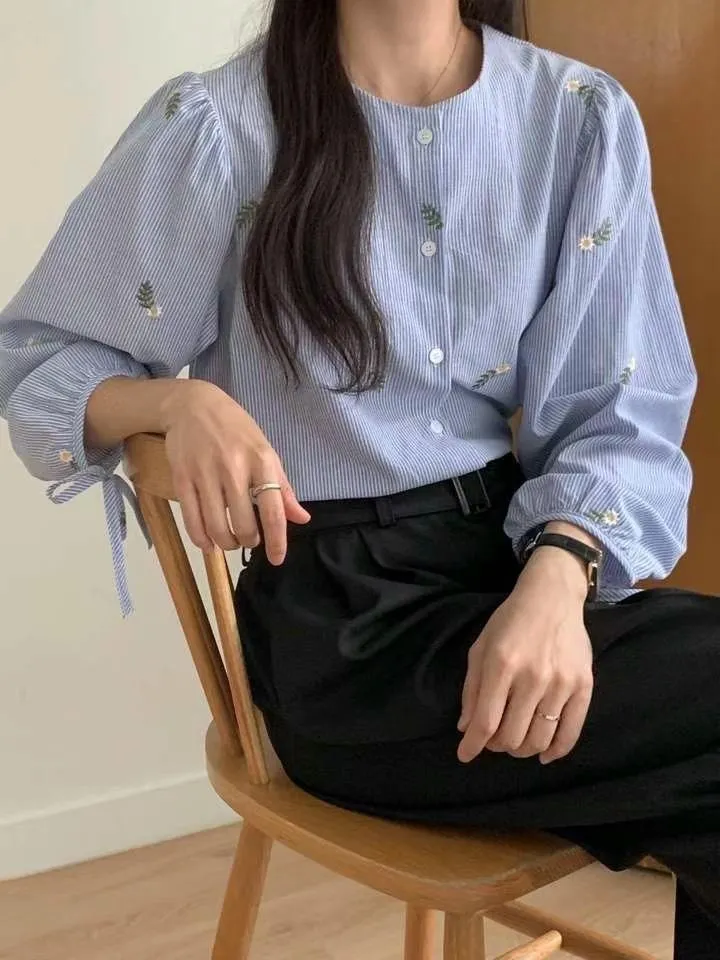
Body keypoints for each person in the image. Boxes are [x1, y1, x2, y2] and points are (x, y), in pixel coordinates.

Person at [1, 0, 718, 954]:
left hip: (519, 568)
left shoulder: (576, 117)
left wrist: (557, 580)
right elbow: (34, 360)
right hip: (342, 623)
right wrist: (174, 402)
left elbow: (619, 407)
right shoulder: (221, 127)